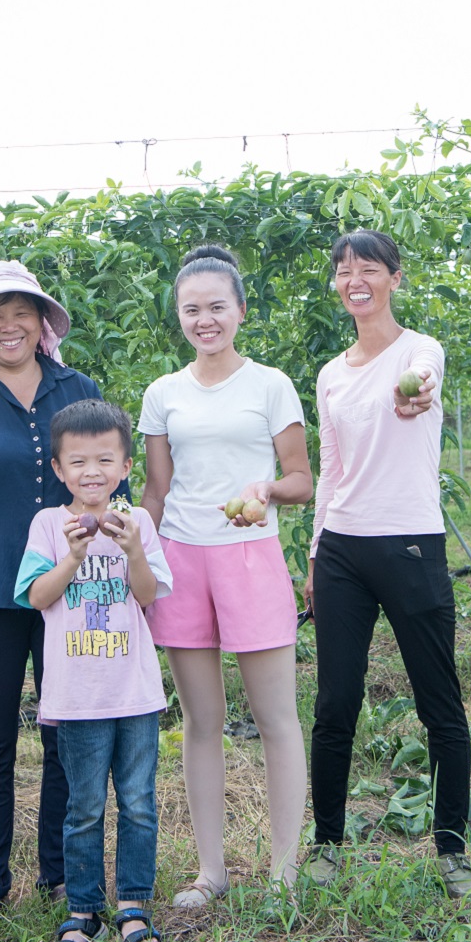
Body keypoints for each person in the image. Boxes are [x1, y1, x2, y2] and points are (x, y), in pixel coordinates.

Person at [0, 261, 129, 906]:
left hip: (69, 586)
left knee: (66, 730)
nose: (8, 326)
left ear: (42, 324)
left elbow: (108, 473)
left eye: (21, 313)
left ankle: (59, 872)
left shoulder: (75, 387)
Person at [303, 229, 471, 898]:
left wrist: (415, 396)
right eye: (344, 271)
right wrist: (317, 553)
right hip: (344, 546)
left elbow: (420, 389)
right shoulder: (329, 373)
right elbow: (330, 470)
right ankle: (327, 842)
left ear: (394, 278)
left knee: (439, 702)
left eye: (369, 269)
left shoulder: (419, 350)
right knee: (335, 702)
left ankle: (452, 849)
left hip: (411, 542)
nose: (355, 279)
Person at [139, 244, 313, 907]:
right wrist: (135, 545)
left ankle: (284, 871)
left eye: (217, 306)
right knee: (201, 718)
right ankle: (210, 871)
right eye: (192, 308)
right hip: (183, 557)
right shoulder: (163, 394)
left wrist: (267, 490)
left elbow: (302, 477)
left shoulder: (270, 385)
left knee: (276, 717)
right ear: (178, 316)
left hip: (249, 555)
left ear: (240, 310)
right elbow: (157, 490)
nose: (205, 318)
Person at [14, 399, 172, 942]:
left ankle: (133, 904)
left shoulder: (139, 523)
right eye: (78, 461)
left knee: (137, 802)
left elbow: (150, 595)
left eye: (105, 459)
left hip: (133, 692)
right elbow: (36, 597)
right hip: (77, 695)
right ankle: (82, 911)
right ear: (59, 470)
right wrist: (73, 557)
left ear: (126, 466)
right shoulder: (47, 525)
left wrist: (130, 549)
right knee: (82, 806)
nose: (92, 472)